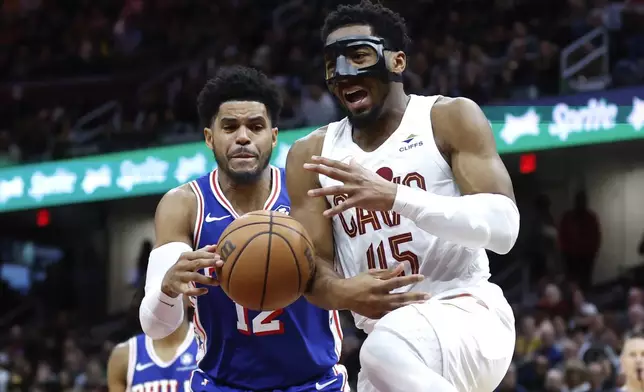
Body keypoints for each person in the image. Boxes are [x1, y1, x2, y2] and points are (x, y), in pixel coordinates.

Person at [285, 1, 520, 391]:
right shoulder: (310, 154)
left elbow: (505, 229)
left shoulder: (448, 118)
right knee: (381, 350)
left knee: (381, 350)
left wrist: (396, 196)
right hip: (388, 346)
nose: (344, 73)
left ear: (396, 61)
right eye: (332, 63)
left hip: (466, 311)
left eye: (358, 56)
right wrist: (344, 291)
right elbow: (314, 273)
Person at [138, 65, 353, 391]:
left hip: (315, 383)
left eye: (255, 126)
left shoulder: (308, 193)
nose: (243, 137)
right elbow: (155, 327)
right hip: (223, 385)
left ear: (274, 136)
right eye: (230, 127)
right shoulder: (183, 205)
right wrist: (167, 289)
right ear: (210, 137)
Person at [107, 293, 197, 392]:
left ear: (190, 297)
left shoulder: (211, 345)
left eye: (173, 289)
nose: (166, 295)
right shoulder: (124, 354)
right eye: (159, 288)